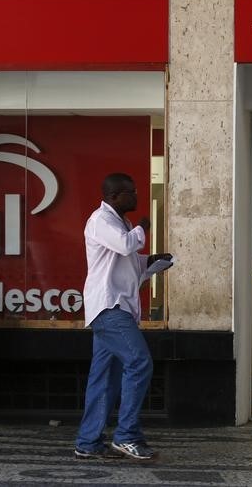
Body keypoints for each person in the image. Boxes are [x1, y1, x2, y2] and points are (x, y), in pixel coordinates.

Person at [74, 173, 172, 460]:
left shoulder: (120, 224)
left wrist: (152, 263)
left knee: (103, 378)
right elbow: (128, 245)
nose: (137, 196)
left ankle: (88, 442)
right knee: (140, 363)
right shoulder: (100, 221)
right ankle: (126, 436)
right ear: (114, 196)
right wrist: (143, 227)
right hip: (109, 308)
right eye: (132, 192)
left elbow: (128, 261)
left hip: (116, 307)